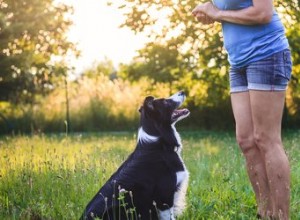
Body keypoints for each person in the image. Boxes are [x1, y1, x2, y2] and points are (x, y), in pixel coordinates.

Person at [192, 0, 292, 219]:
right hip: (238, 62)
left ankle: (282, 216)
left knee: (266, 138)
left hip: (267, 55)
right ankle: (264, 213)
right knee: (246, 140)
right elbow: (224, 8)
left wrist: (217, 13)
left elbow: (263, 14)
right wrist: (209, 12)